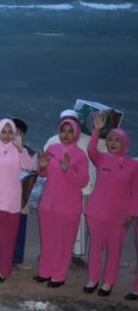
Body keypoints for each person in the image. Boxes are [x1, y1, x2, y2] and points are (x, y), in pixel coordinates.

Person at [83, 112, 137, 296]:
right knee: (95, 248)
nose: (113, 143)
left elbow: (136, 193)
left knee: (114, 250)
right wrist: (97, 130)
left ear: (125, 143)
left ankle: (108, 282)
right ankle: (93, 279)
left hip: (119, 215)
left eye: (117, 140)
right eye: (111, 139)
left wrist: (132, 213)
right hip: (96, 211)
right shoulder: (102, 158)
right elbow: (91, 150)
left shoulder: (133, 165)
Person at [35, 118, 90, 287]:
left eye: (69, 131)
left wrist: (68, 171)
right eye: (62, 130)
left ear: (76, 133)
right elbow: (44, 174)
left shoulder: (80, 155)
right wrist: (42, 166)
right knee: (48, 241)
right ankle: (45, 272)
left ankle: (58, 276)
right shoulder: (52, 149)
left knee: (64, 243)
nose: (65, 134)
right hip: (48, 204)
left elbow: (83, 181)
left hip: (68, 207)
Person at [0, 119, 35, 283]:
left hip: (10, 200)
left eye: (11, 132)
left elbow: (29, 167)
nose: (7, 135)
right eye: (4, 131)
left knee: (7, 237)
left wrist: (20, 148)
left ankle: (3, 270)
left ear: (16, 134)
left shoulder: (19, 151)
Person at [44, 109, 99, 264]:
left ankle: (76, 255)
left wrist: (98, 130)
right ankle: (52, 253)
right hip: (58, 190)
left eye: (72, 120)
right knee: (55, 225)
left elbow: (102, 152)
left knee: (79, 225)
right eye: (65, 121)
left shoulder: (88, 140)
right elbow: (44, 163)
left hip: (85, 186)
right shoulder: (53, 140)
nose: (68, 125)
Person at [12, 118, 38, 266]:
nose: (13, 134)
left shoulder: (29, 152)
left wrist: (25, 197)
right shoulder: (1, 149)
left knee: (18, 228)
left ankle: (15, 258)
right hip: (2, 197)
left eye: (17, 131)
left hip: (21, 196)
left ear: (23, 134)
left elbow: (32, 177)